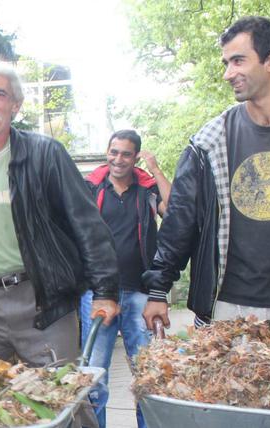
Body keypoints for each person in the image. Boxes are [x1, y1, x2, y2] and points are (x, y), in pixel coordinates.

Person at [142, 16, 270, 345]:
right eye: (226, 63)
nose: (228, 73)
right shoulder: (208, 141)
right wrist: (158, 289)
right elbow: (180, 223)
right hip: (223, 307)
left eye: (238, 61)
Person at [0, 57, 120, 368]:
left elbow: (88, 226)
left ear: (15, 105)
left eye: (0, 94)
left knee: (61, 392)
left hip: (43, 305)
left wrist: (105, 291)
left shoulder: (46, 155)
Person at [79, 130, 170, 428]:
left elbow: (174, 211)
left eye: (126, 154)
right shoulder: (90, 188)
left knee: (148, 375)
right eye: (114, 152)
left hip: (140, 293)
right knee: (93, 377)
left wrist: (156, 170)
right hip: (96, 294)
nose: (118, 159)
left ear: (136, 158)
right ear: (107, 152)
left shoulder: (147, 190)